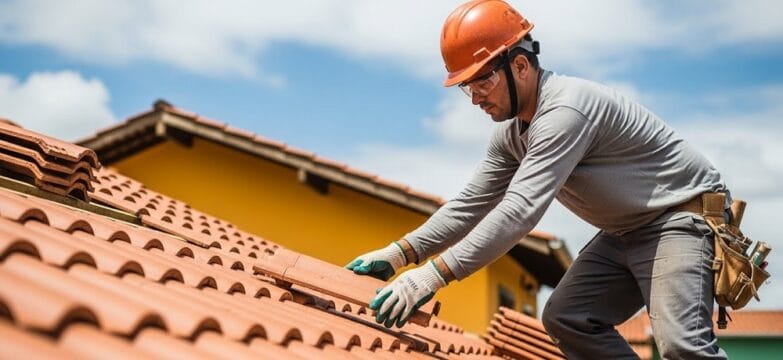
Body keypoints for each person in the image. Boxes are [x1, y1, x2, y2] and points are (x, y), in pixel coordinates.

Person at [346, 0, 730, 358]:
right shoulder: (512, 135)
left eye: (483, 81)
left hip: (679, 219)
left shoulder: (566, 110)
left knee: (683, 345)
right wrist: (399, 253)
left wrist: (430, 277)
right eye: (468, 86)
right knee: (568, 318)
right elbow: (470, 205)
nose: (476, 97)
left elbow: (519, 211)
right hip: (625, 231)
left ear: (521, 66)